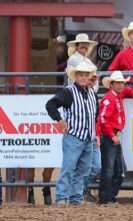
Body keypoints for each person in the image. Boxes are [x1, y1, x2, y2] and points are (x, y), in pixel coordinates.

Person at [45, 61, 101, 205]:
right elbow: (50, 105)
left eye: (86, 75)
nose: (83, 77)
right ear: (76, 76)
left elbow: (95, 116)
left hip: (88, 138)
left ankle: (76, 198)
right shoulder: (68, 92)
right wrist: (59, 120)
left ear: (89, 77)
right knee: (69, 168)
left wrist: (95, 134)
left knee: (84, 170)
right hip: (74, 137)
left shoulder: (92, 95)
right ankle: (62, 198)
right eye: (81, 75)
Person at [96, 71, 133, 204]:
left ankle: (108, 197)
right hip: (110, 135)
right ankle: (106, 198)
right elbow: (103, 119)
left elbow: (128, 90)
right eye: (118, 82)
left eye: (122, 82)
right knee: (111, 169)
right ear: (112, 84)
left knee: (117, 170)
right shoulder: (109, 99)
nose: (121, 85)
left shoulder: (115, 95)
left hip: (113, 135)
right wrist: (111, 135)